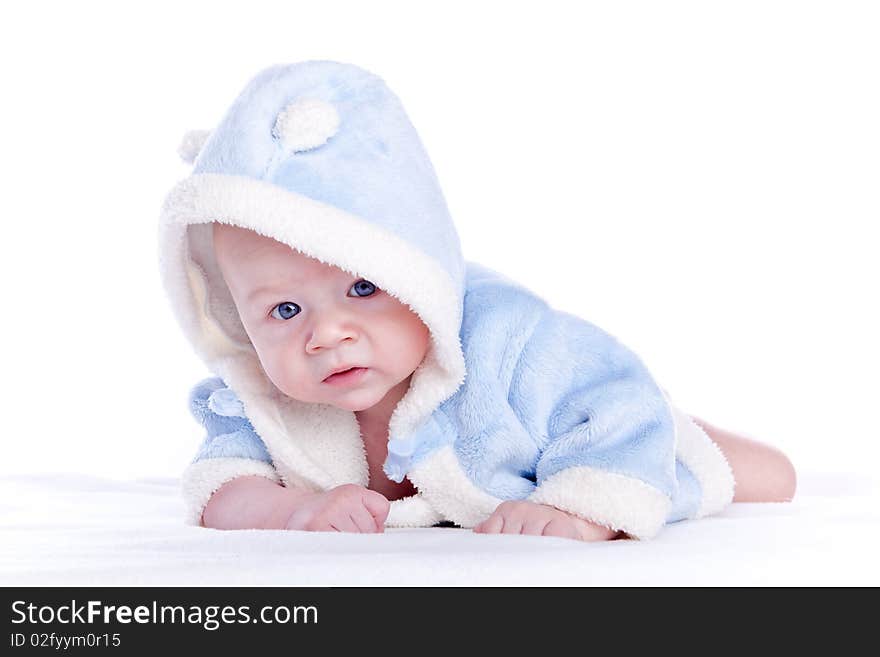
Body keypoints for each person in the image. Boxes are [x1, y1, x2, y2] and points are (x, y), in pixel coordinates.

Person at [159, 61, 796, 542]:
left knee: (754, 477)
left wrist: (579, 513)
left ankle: (692, 432)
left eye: (362, 288)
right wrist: (293, 510)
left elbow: (612, 397)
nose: (326, 336)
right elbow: (220, 487)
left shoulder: (513, 345)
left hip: (597, 431)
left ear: (415, 274)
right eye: (285, 311)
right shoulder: (257, 398)